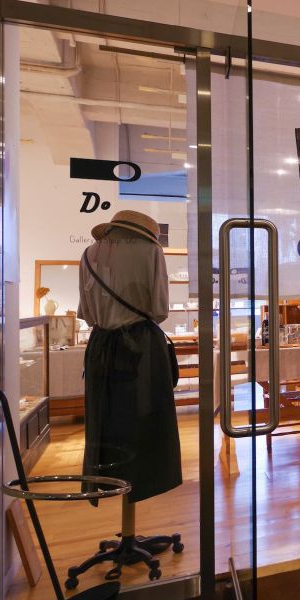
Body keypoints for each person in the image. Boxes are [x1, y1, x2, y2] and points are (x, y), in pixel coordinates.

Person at [78, 210, 182, 504]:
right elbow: (159, 309)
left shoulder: (88, 254)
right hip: (141, 347)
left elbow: (87, 313)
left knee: (103, 420)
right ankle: (143, 484)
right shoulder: (151, 252)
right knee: (144, 419)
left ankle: (106, 481)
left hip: (100, 347)